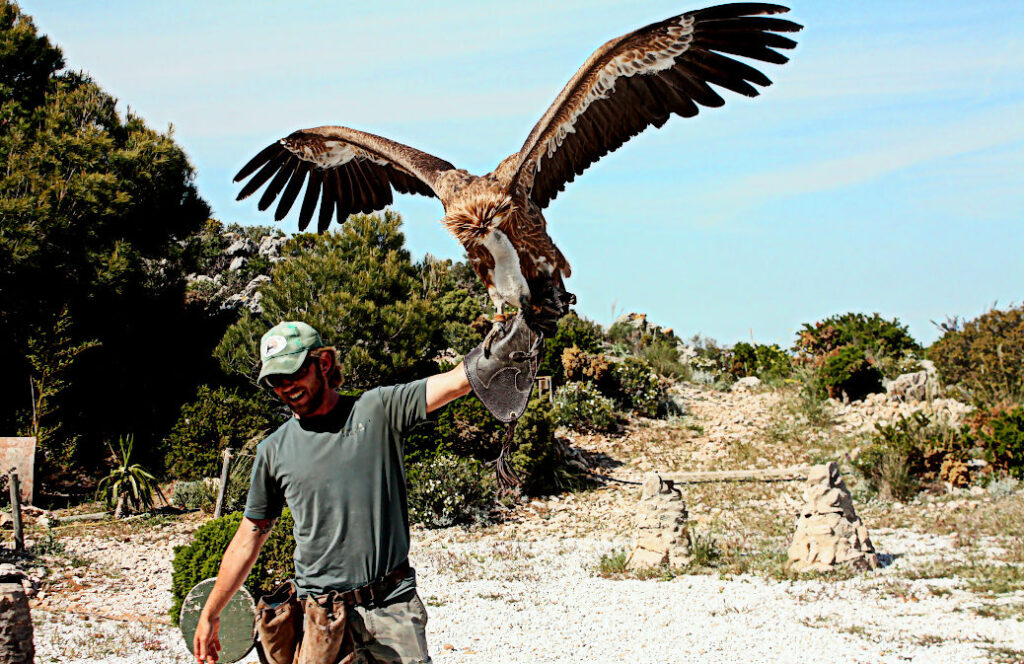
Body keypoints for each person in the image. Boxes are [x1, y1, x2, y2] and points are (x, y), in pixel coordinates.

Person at [193, 320, 476, 664]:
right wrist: (211, 611)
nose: (286, 387)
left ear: (323, 363)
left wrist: (519, 331)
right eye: (276, 381)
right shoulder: (273, 450)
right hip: (320, 620)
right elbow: (249, 536)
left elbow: (458, 381)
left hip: (392, 609)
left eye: (293, 373)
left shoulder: (378, 410)